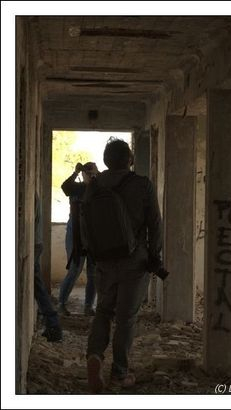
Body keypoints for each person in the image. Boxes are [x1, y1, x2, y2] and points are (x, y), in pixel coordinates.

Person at [86, 137, 163, 393]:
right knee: (126, 318)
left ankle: (94, 355)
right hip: (134, 259)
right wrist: (154, 255)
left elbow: (85, 222)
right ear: (129, 159)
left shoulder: (95, 185)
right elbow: (155, 223)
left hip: (104, 260)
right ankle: (119, 373)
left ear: (106, 160)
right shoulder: (142, 185)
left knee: (103, 311)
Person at [59, 161, 98, 316]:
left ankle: (88, 306)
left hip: (93, 235)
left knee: (93, 272)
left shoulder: (98, 188)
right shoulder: (77, 188)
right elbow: (65, 186)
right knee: (75, 269)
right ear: (83, 174)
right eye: (87, 173)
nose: (90, 176)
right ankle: (61, 304)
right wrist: (76, 172)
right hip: (75, 233)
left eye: (93, 173)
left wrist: (96, 174)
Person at [34, 192, 63, 342]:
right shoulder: (34, 194)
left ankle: (53, 325)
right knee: (38, 288)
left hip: (33, 244)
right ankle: (53, 324)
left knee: (39, 289)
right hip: (36, 243)